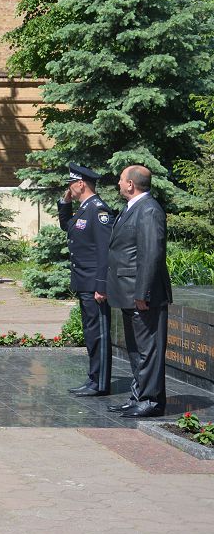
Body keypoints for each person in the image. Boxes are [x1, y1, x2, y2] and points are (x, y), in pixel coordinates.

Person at [106, 165, 172, 418]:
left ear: (131, 184)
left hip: (143, 294)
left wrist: (143, 292)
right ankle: (138, 396)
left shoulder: (149, 210)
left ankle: (151, 401)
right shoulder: (132, 208)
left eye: (121, 179)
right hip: (128, 291)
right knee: (136, 349)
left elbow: (151, 254)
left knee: (149, 350)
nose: (119, 183)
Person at [59, 164, 114, 398]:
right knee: (90, 333)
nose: (68, 188)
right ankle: (93, 378)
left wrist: (102, 285)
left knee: (98, 334)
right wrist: (65, 202)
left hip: (94, 285)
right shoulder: (84, 208)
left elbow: (105, 251)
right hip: (84, 282)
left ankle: (100, 383)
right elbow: (68, 227)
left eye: (70, 184)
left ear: (80, 183)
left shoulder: (99, 210)